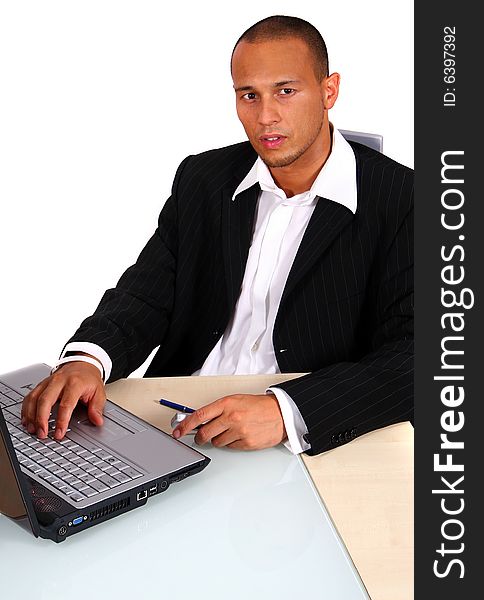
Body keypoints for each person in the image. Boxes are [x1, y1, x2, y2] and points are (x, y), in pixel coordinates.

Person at [21, 15, 413, 456]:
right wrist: (87, 359)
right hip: (178, 418)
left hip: (303, 435)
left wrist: (287, 412)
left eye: (286, 91)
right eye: (249, 95)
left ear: (329, 91)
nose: (265, 117)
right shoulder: (204, 178)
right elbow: (148, 292)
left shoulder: (405, 201)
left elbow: (422, 356)